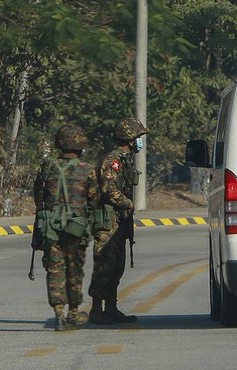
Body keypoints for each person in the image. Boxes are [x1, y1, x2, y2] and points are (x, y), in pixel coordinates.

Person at [33, 124, 97, 331]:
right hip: (76, 227)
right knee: (74, 268)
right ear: (80, 145)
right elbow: (94, 200)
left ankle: (58, 314)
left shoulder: (48, 167)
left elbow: (38, 195)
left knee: (54, 270)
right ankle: (73, 313)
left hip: (50, 226)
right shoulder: (86, 170)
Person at [88, 116, 148, 325]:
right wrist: (127, 203)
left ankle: (111, 308)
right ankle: (96, 310)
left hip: (119, 221)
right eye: (138, 137)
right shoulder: (112, 160)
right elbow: (108, 189)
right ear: (129, 138)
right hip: (107, 221)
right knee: (104, 265)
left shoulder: (125, 160)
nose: (140, 142)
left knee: (116, 266)